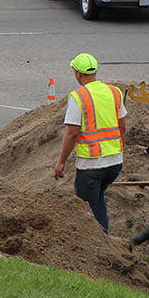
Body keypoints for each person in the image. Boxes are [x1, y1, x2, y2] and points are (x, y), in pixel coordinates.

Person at [53, 52, 126, 233]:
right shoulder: (114, 92)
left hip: (91, 165)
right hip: (114, 162)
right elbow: (122, 126)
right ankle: (104, 237)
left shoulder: (78, 97)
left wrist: (61, 162)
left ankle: (98, 241)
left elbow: (72, 133)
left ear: (78, 73)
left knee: (87, 211)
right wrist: (119, 149)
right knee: (97, 201)